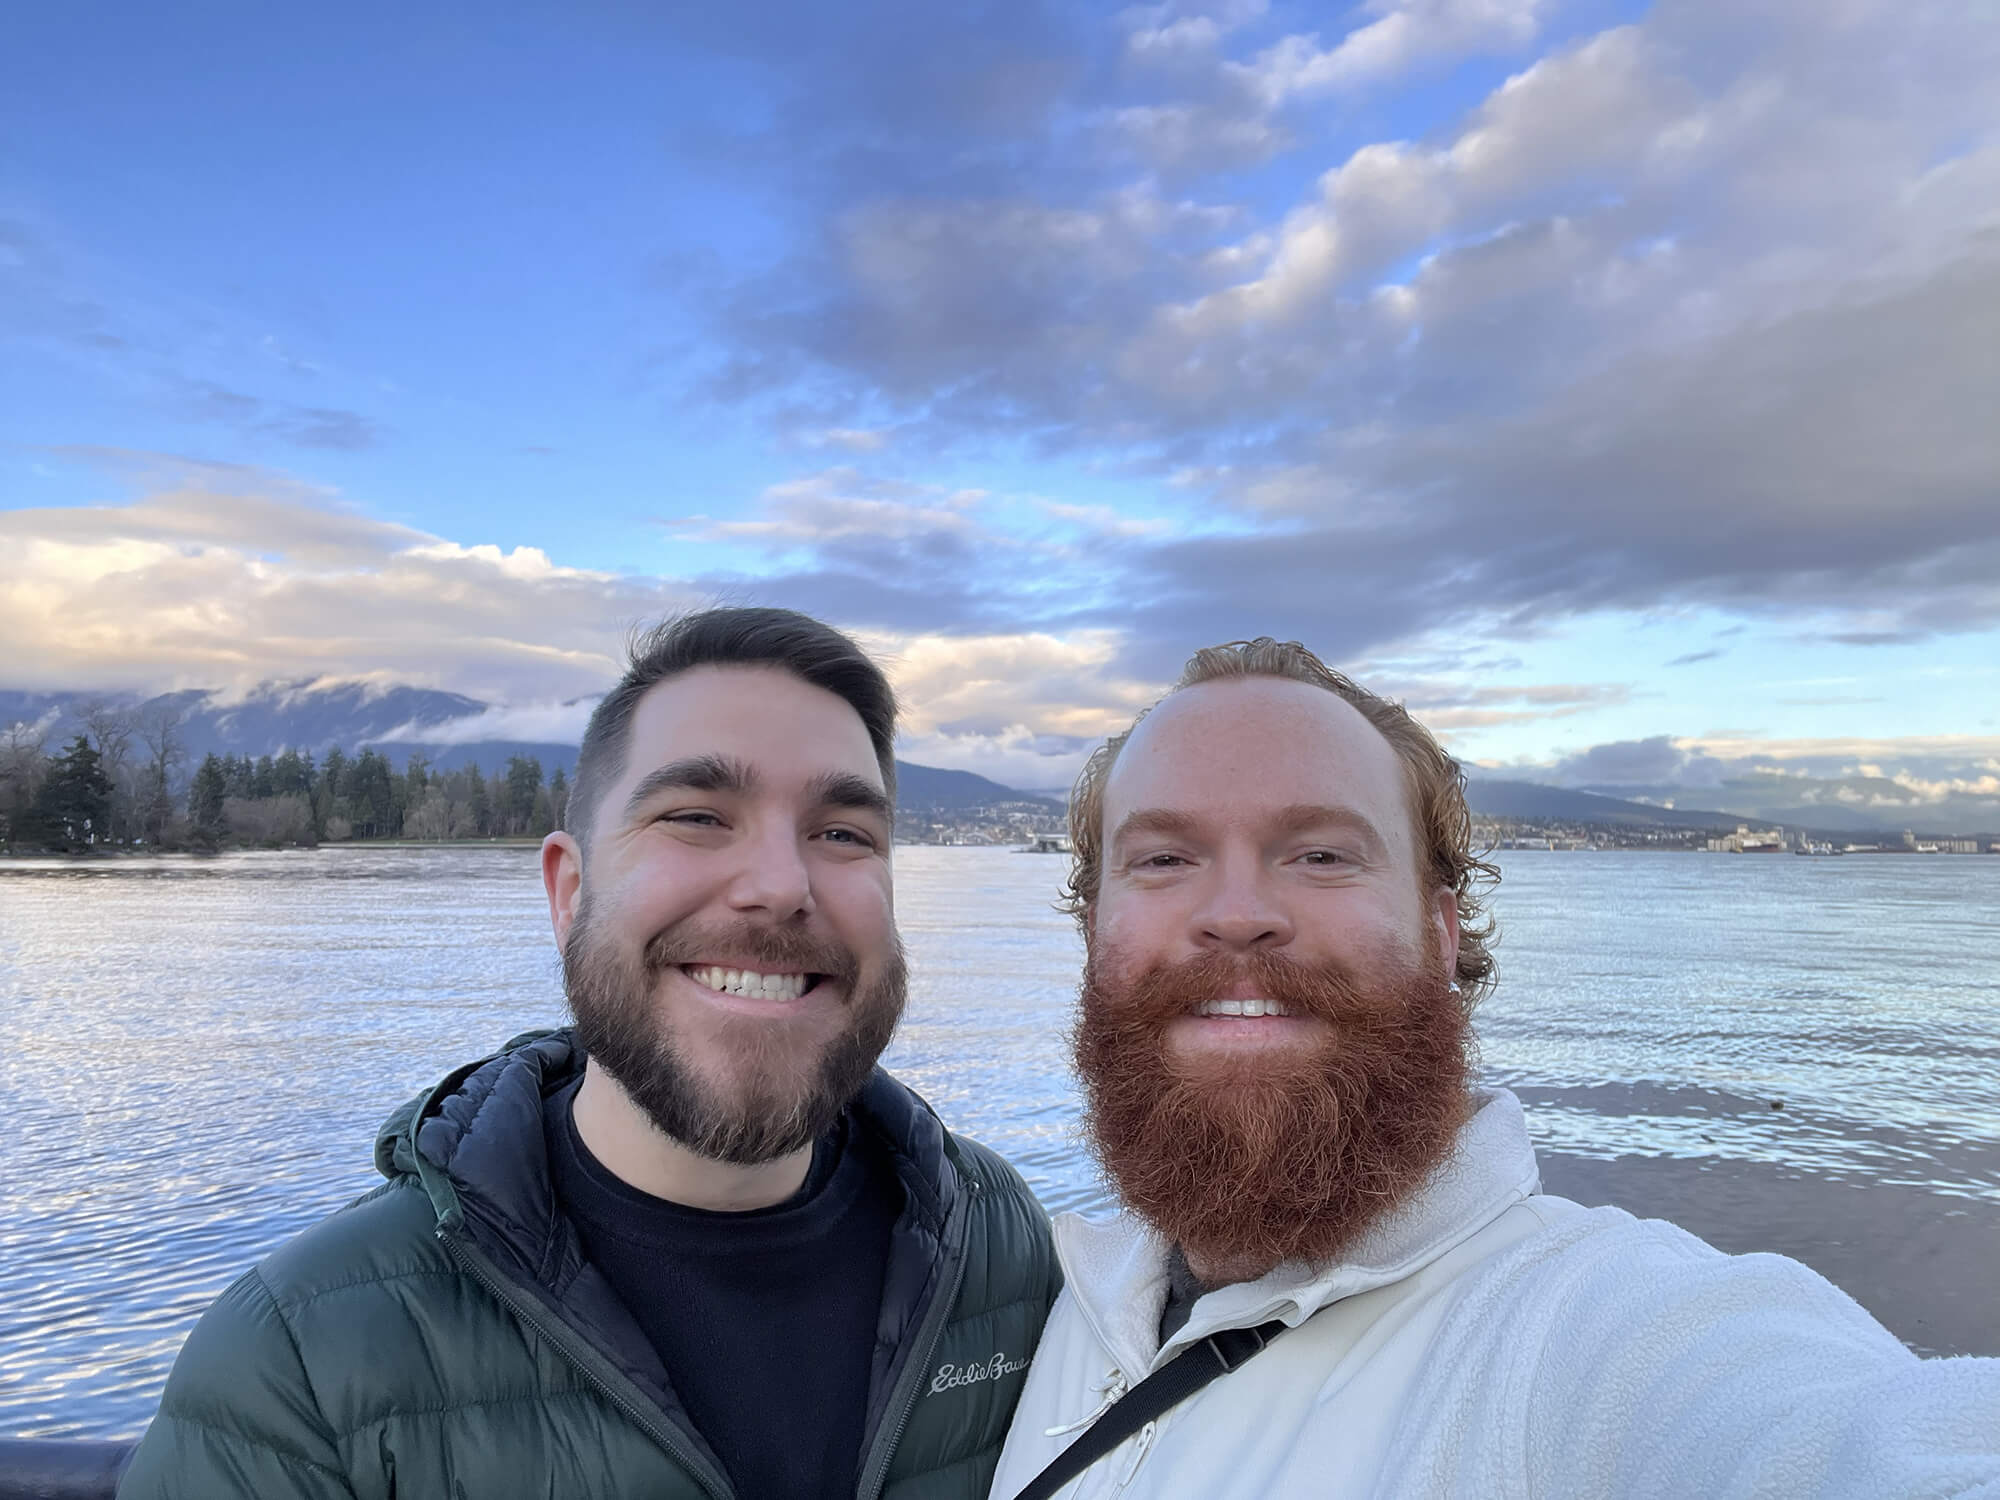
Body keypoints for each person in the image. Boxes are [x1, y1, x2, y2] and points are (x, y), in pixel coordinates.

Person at [990, 637, 2000, 1500]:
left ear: (1439, 934)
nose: (1238, 912)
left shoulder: (1585, 1331)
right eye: (1164, 859)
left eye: (1321, 855)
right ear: (1094, 929)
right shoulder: (1057, 1295)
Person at [120, 607, 1060, 1500]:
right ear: (570, 892)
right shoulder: (303, 1362)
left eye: (843, 834)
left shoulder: (1000, 1247)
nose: (780, 885)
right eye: (697, 816)